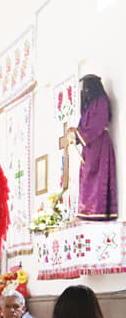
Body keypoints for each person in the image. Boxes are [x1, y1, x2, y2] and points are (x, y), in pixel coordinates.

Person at [72, 75, 117, 221]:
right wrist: (75, 134)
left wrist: (80, 135)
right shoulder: (88, 107)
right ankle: (86, 210)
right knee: (86, 177)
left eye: (84, 87)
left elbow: (98, 123)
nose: (83, 92)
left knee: (98, 177)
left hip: (99, 145)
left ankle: (98, 210)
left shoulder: (102, 102)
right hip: (89, 147)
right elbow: (82, 127)